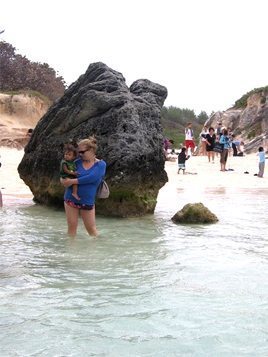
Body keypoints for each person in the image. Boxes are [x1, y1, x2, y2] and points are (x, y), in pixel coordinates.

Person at [60, 136, 106, 237]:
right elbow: (64, 174)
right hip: (70, 199)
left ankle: (98, 251)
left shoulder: (101, 165)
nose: (79, 155)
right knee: (71, 229)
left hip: (87, 201)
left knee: (92, 230)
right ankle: (70, 251)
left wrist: (72, 181)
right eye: (78, 152)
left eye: (82, 152)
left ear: (92, 150)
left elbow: (92, 177)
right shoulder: (76, 162)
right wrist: (63, 180)